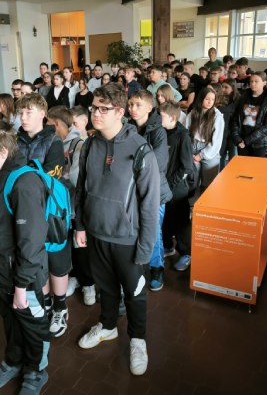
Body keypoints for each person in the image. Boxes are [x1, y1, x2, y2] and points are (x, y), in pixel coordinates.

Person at [75, 82, 159, 376]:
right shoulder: (89, 145)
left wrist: (145, 249)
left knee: (135, 294)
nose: (95, 114)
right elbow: (82, 188)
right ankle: (108, 325)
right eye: (93, 108)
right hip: (96, 233)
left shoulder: (141, 150)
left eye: (103, 109)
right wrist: (80, 225)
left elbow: (149, 205)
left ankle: (137, 340)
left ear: (119, 112)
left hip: (127, 239)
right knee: (106, 288)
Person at [0, 121, 50, 394]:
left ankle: (36, 371)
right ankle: (14, 361)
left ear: (3, 151)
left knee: (32, 325)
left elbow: (31, 243)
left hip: (22, 278)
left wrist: (21, 285)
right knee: (11, 320)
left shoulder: (24, 183)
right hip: (2, 274)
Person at [15, 93, 67, 336]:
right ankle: (44, 302)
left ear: (43, 114)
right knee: (37, 259)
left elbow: (51, 177)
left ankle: (60, 306)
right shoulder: (16, 140)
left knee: (56, 261)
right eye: (21, 112)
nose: (23, 117)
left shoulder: (53, 141)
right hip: (25, 209)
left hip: (50, 210)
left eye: (29, 112)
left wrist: (23, 178)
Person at [47, 106, 95, 306]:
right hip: (61, 208)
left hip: (76, 208)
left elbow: (76, 179)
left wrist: (55, 180)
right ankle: (74, 277)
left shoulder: (78, 144)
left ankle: (89, 284)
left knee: (81, 248)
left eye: (49, 124)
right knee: (68, 247)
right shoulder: (53, 143)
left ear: (57, 123)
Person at [128, 89, 172, 291]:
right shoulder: (128, 128)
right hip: (132, 189)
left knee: (153, 232)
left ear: (149, 107)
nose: (133, 108)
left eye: (138, 105)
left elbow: (158, 163)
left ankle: (156, 267)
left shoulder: (158, 131)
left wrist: (132, 164)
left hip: (154, 190)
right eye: (130, 104)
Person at [158, 101, 194, 270]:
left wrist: (170, 183)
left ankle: (186, 253)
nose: (159, 119)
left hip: (177, 188)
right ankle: (168, 246)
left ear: (172, 118)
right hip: (164, 186)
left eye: (162, 116)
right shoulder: (162, 132)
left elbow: (186, 167)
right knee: (166, 219)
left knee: (181, 223)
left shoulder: (183, 136)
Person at [231, 71, 267, 158]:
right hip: (242, 141)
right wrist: (237, 138)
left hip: (261, 143)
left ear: (264, 83)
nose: (253, 84)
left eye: (256, 81)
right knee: (243, 166)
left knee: (257, 166)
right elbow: (235, 119)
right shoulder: (243, 96)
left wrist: (247, 140)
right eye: (251, 81)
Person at [186, 87, 225, 191]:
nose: (210, 102)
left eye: (212, 99)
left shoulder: (217, 116)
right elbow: (186, 132)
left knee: (208, 185)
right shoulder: (193, 112)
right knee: (192, 182)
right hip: (193, 146)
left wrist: (201, 155)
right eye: (207, 99)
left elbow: (217, 141)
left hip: (209, 148)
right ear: (201, 99)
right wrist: (189, 152)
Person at [217, 79, 240, 169]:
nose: (223, 89)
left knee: (233, 158)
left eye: (226, 87)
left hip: (234, 133)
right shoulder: (219, 99)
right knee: (221, 156)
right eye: (222, 87)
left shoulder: (239, 100)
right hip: (222, 133)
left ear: (233, 89)